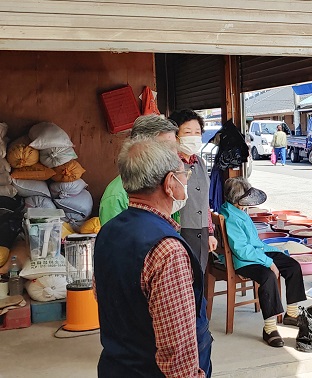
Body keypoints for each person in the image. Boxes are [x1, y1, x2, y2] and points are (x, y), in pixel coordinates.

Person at [94, 138, 212, 377]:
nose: (186, 179)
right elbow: (177, 350)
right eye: (183, 173)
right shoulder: (167, 250)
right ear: (170, 183)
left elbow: (101, 295)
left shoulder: (108, 231)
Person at [220, 177, 306, 347]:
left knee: (293, 265)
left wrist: (274, 254)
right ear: (238, 200)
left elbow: (254, 244)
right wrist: (268, 262)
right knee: (268, 276)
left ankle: (292, 313)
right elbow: (242, 250)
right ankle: (269, 328)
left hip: (257, 252)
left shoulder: (238, 210)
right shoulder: (230, 217)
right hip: (243, 261)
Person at [99, 114, 178, 225]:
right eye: (166, 148)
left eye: (174, 147)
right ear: (140, 147)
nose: (175, 154)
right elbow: (115, 240)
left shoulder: (166, 185)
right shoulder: (116, 196)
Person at [169, 109, 218, 273]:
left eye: (197, 132)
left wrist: (210, 233)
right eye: (188, 132)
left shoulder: (201, 163)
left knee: (199, 278)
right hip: (179, 230)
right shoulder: (170, 163)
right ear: (176, 135)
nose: (194, 137)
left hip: (202, 231)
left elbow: (204, 202)